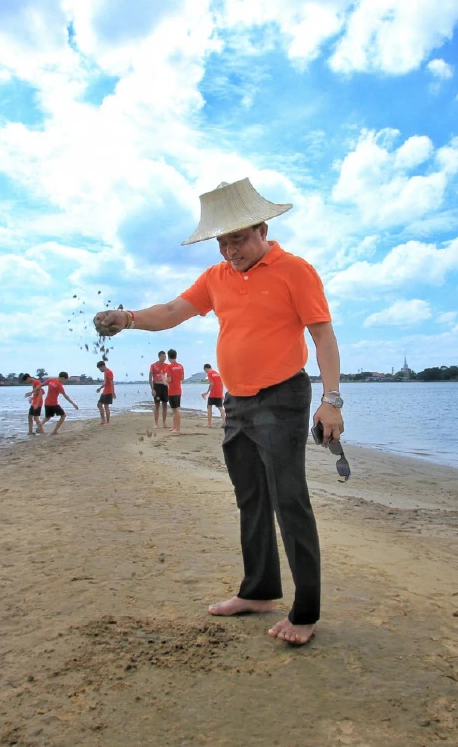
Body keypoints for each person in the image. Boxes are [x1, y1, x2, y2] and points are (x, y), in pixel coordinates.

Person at [94, 177, 343, 645]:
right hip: (237, 401)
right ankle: (259, 591)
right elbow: (171, 311)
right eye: (223, 241)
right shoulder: (217, 278)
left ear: (262, 229)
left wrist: (331, 402)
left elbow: (323, 336)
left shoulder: (296, 270)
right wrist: (127, 319)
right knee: (250, 497)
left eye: (239, 239)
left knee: (289, 501)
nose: (230, 250)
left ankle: (305, 612)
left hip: (284, 397)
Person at [148, 351, 170, 428]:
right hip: (156, 386)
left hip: (164, 386)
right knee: (157, 405)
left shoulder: (167, 366)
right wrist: (152, 389)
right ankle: (156, 423)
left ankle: (164, 423)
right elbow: (150, 378)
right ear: (159, 356)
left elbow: (170, 377)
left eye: (165, 356)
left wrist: (168, 381)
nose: (164, 358)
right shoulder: (153, 365)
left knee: (165, 405)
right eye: (163, 356)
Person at [166, 348, 185, 434]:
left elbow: (169, 379)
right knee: (175, 410)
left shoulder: (169, 367)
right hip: (178, 389)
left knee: (175, 410)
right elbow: (182, 378)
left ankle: (177, 429)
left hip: (172, 390)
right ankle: (174, 426)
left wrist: (164, 379)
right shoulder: (180, 366)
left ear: (168, 357)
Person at [202, 363, 225, 427]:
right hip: (219, 393)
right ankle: (225, 421)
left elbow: (211, 383)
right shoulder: (218, 374)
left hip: (213, 394)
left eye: (205, 370)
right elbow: (221, 384)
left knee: (209, 407)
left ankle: (209, 424)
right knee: (220, 408)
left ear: (206, 369)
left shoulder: (209, 373)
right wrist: (221, 393)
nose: (205, 372)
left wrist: (206, 392)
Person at [96, 360, 114, 425]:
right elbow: (106, 383)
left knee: (106, 407)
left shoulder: (109, 372)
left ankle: (107, 422)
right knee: (99, 405)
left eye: (100, 368)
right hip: (104, 392)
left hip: (108, 392)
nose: (100, 370)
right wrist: (100, 388)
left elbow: (112, 383)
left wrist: (113, 392)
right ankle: (103, 420)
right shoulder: (105, 373)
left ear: (103, 366)